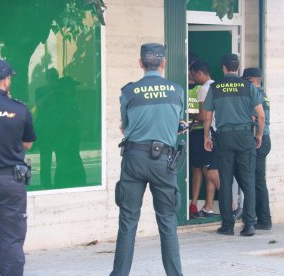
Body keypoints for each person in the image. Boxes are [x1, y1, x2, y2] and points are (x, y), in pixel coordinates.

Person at [110, 43, 184, 276]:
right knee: (168, 222)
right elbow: (177, 124)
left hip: (134, 159)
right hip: (164, 162)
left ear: (141, 63)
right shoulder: (177, 90)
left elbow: (125, 127)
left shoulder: (128, 91)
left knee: (128, 222)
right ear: (164, 63)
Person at [203, 53, 265, 237]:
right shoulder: (248, 86)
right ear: (237, 68)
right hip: (246, 136)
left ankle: (228, 225)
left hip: (224, 137)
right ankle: (249, 225)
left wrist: (206, 136)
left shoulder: (215, 87)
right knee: (248, 180)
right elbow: (261, 115)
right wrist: (259, 135)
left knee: (226, 180)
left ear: (223, 68)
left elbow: (207, 116)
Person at [0, 52, 36, 276]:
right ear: (7, 80)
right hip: (10, 180)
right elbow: (28, 143)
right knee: (11, 239)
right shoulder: (19, 109)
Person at [242, 67, 272, 230]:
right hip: (265, 139)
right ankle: (263, 218)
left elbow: (258, 117)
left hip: (259, 140)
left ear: (251, 81)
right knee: (258, 181)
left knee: (254, 181)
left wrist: (258, 136)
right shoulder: (263, 95)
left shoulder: (255, 95)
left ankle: (261, 219)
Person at [190, 60, 219, 217]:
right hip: (219, 133)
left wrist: (187, 115)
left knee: (210, 171)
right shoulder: (217, 86)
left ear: (200, 73)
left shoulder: (204, 89)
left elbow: (202, 116)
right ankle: (208, 207)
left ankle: (231, 204)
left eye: (193, 75)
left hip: (207, 134)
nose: (193, 78)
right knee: (210, 168)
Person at [187, 53, 205, 218]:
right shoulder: (179, 86)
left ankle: (193, 203)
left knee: (198, 169)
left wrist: (189, 117)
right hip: (183, 133)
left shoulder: (201, 88)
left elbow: (201, 115)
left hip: (198, 133)